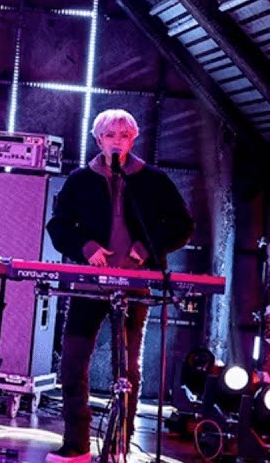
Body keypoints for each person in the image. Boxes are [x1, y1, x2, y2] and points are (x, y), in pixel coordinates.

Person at [45, 109, 194, 463]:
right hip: (89, 283)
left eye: (124, 136)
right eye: (110, 135)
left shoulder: (152, 180)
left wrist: (146, 247)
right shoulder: (80, 180)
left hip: (135, 284)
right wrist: (86, 247)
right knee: (73, 362)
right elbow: (59, 226)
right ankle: (77, 444)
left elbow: (181, 224)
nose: (117, 142)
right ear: (98, 140)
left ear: (133, 139)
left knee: (127, 368)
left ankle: (119, 445)